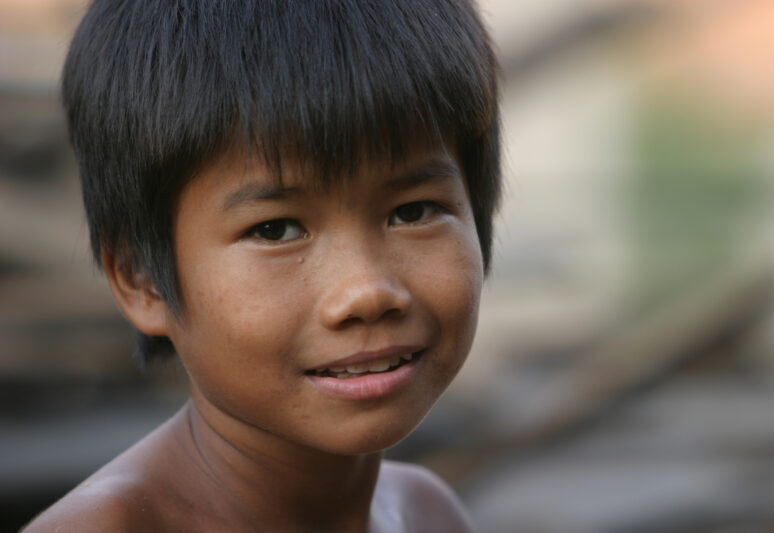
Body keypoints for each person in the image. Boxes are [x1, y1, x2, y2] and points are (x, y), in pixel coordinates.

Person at [23, 0, 500, 531]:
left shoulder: (426, 514)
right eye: (275, 229)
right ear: (144, 280)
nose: (366, 291)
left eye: (412, 212)